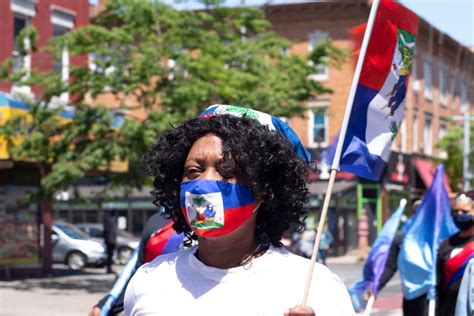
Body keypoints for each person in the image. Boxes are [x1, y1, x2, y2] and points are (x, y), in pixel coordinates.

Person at [124, 105, 355, 315]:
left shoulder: (314, 286)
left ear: (263, 189)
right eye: (194, 170)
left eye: (227, 171)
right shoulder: (148, 281)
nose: (206, 182)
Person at [90, 212, 178, 315]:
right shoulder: (159, 224)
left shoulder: (159, 222)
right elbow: (135, 274)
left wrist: (105, 306)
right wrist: (105, 305)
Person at [436, 193, 474, 316]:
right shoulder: (446, 244)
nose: (459, 214)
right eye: (456, 211)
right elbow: (438, 283)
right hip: (447, 310)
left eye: (464, 211)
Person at [103, 210, 118, 274]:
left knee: (110, 255)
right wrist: (109, 240)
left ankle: (109, 268)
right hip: (110, 241)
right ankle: (108, 268)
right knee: (109, 255)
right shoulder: (109, 219)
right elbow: (107, 231)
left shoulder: (112, 219)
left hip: (111, 240)